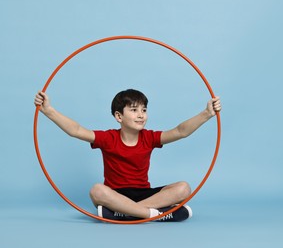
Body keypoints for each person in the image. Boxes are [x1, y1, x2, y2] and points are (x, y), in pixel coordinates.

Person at [34, 89, 221, 222]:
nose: (141, 115)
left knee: (183, 188)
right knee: (97, 191)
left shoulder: (149, 138)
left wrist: (206, 113)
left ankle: (125, 214)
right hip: (116, 194)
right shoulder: (108, 138)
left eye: (144, 110)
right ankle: (153, 214)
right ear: (118, 116)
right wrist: (49, 111)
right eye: (134, 110)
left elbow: (180, 131)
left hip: (144, 194)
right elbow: (75, 130)